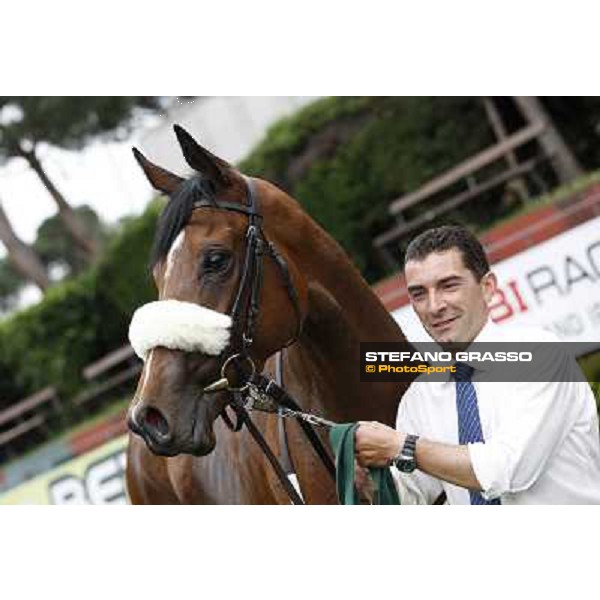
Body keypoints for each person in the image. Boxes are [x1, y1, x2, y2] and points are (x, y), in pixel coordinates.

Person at [355, 225, 600, 504]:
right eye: (419, 293)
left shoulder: (540, 354)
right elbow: (411, 497)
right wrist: (366, 485)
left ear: (487, 287)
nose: (434, 306)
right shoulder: (419, 396)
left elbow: (508, 469)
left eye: (448, 285)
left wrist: (402, 446)